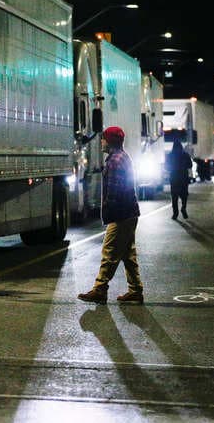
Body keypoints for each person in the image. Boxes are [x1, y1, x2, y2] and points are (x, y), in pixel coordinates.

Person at [78, 126, 143, 305]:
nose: (101, 142)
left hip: (121, 215)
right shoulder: (123, 157)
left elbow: (113, 192)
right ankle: (135, 290)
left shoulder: (114, 161)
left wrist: (108, 210)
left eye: (104, 139)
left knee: (109, 251)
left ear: (111, 141)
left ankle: (100, 289)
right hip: (129, 212)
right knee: (128, 254)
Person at [166, 139, 192, 219]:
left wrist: (172, 169)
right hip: (183, 178)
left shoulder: (170, 155)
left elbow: (166, 167)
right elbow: (190, 165)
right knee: (184, 195)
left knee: (174, 196)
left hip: (174, 178)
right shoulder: (185, 155)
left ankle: (175, 213)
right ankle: (183, 208)